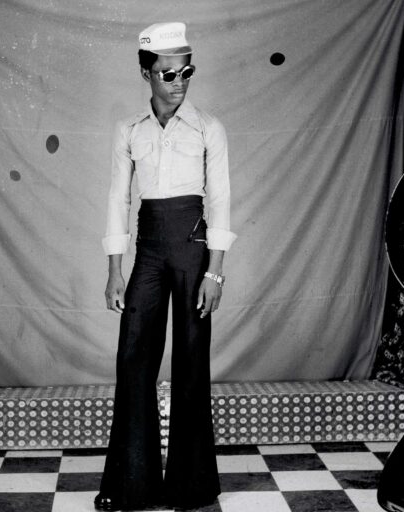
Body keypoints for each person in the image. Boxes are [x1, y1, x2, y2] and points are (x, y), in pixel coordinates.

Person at [96, 22, 237, 511]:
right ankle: (131, 484)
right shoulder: (129, 131)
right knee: (134, 359)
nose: (178, 82)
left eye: (186, 72)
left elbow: (219, 200)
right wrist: (115, 269)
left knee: (192, 363)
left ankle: (191, 487)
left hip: (194, 251)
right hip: (150, 251)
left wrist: (215, 272)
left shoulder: (208, 128)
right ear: (146, 73)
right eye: (168, 73)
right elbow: (118, 198)